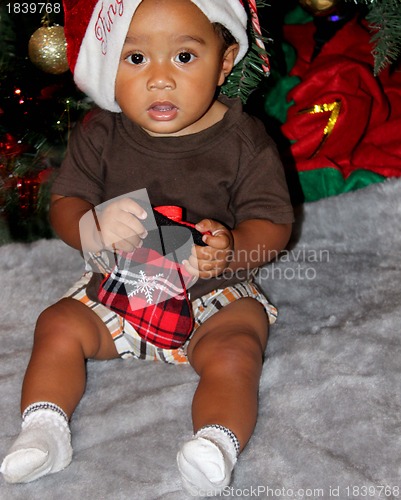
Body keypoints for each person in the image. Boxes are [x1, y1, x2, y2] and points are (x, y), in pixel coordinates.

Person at [1, 0, 293, 495]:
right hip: (118, 288)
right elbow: (65, 203)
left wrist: (235, 247)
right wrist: (91, 226)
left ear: (224, 63)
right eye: (135, 59)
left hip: (211, 296)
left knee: (239, 346)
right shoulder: (101, 133)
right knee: (57, 324)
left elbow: (274, 222)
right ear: (106, 63)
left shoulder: (244, 140)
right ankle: (44, 429)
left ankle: (215, 443)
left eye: (184, 57)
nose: (160, 79)